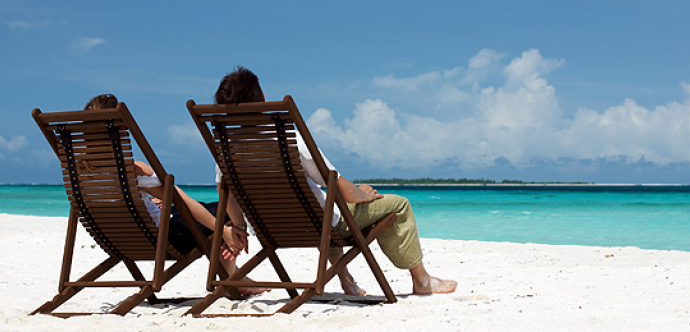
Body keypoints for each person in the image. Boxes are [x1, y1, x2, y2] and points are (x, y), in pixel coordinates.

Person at [213, 68, 458, 295]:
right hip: (319, 225)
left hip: (272, 230)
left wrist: (240, 228)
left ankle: (345, 279)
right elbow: (338, 187)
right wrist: (362, 193)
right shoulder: (289, 142)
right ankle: (422, 281)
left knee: (324, 211)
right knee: (397, 205)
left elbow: (225, 193)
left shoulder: (225, 152)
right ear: (263, 99)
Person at [83, 94, 260, 295]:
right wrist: (223, 231)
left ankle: (237, 276)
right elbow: (181, 201)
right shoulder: (133, 170)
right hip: (165, 239)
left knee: (205, 207)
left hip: (119, 240)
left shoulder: (79, 173)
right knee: (225, 212)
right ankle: (230, 282)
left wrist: (148, 202)